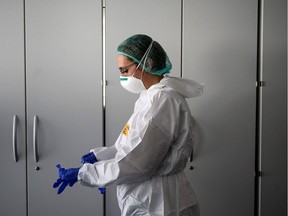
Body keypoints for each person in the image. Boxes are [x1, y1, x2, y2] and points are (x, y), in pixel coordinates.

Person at [53, 34, 204, 216]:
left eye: (124, 70)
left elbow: (139, 163)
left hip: (159, 201)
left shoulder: (164, 100)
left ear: (146, 64)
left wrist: (85, 174)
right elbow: (131, 145)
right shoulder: (148, 97)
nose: (122, 77)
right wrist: (100, 156)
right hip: (149, 197)